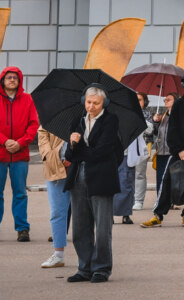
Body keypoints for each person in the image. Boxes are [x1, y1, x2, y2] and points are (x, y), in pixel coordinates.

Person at [64, 85, 122, 282]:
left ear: (103, 103)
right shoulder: (77, 121)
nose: (91, 106)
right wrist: (73, 143)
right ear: (84, 101)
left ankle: (102, 268)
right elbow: (69, 155)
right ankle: (84, 267)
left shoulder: (110, 120)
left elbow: (102, 152)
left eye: (96, 103)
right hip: (78, 176)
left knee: (103, 227)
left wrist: (79, 147)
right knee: (80, 226)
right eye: (88, 102)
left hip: (102, 177)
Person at [140, 71, 184, 227]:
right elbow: (172, 130)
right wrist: (179, 150)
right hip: (178, 153)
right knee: (167, 182)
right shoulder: (178, 104)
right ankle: (158, 215)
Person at [0, 65, 37, 243]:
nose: (12, 80)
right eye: (8, 77)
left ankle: (22, 229)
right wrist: (5, 141)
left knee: (20, 193)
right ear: (2, 81)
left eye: (15, 77)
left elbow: (33, 125)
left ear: (19, 81)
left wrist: (20, 143)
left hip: (20, 155)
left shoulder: (28, 100)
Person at [36, 126, 72, 268]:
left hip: (80, 167)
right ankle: (58, 254)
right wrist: (49, 155)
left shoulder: (87, 109)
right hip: (55, 165)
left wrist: (73, 155)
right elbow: (42, 131)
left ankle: (89, 255)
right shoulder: (53, 109)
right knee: (57, 212)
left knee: (86, 213)